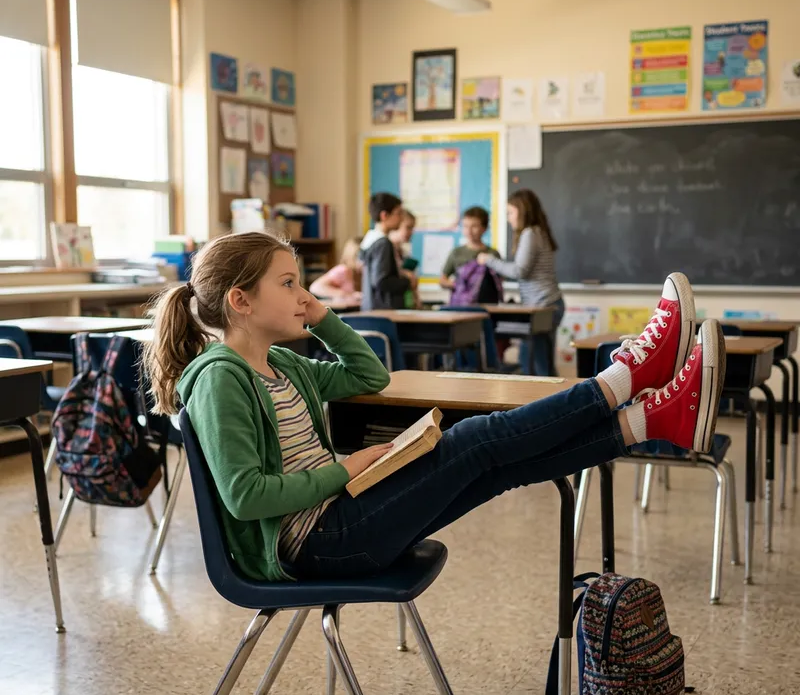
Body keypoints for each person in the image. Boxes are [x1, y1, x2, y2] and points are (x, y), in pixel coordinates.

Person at [144, 239, 723, 582]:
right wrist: (347, 469)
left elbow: (369, 375)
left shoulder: (284, 365)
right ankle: (627, 378)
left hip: (338, 519)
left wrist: (320, 317)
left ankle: (652, 421)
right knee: (475, 440)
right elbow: (246, 497)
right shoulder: (221, 380)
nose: (305, 294)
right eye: (290, 283)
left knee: (497, 465)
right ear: (240, 302)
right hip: (316, 544)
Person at [478, 189, 564, 376]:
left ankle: (545, 401)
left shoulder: (530, 233)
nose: (508, 218)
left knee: (535, 363)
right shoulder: (539, 232)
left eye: (511, 212)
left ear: (522, 210)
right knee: (538, 362)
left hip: (544, 305)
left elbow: (520, 271)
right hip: (546, 304)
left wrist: (489, 260)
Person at [359, 192, 410, 310]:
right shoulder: (383, 243)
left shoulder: (370, 240)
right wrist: (407, 281)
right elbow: (381, 281)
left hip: (371, 307)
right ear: (384, 215)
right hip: (384, 310)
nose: (401, 218)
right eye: (398, 213)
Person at [439, 206, 500, 291]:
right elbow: (442, 280)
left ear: (484, 228)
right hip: (462, 302)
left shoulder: (493, 254)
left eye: (474, 226)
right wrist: (459, 285)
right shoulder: (457, 252)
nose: (469, 231)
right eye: (465, 226)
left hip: (487, 302)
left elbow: (499, 281)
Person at [308, 237, 363, 306]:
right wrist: (347, 294)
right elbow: (315, 287)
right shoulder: (343, 270)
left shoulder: (363, 273)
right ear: (352, 256)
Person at [388, 209, 421, 309]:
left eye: (412, 228)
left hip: (405, 303)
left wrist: (417, 300)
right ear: (397, 225)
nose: (411, 232)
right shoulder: (385, 249)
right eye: (408, 227)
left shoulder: (404, 253)